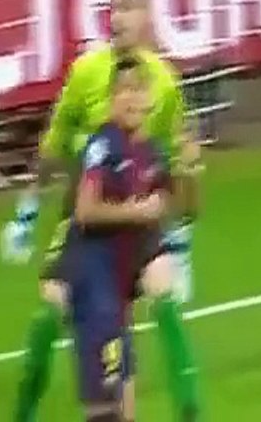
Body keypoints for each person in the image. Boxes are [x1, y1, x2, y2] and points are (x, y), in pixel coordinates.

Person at [7, 0, 202, 422]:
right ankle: (29, 407)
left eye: (128, 8)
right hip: (88, 223)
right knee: (62, 316)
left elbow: (172, 164)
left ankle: (186, 405)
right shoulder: (86, 74)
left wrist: (180, 239)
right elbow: (54, 146)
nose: (117, 18)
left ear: (147, 16)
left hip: (137, 227)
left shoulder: (165, 84)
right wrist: (27, 210)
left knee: (156, 301)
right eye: (113, 9)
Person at [65, 55, 203, 421]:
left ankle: (189, 402)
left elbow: (185, 210)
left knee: (124, 400)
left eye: (137, 90)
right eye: (123, 91)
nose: (130, 98)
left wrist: (189, 170)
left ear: (148, 98)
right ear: (112, 100)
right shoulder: (102, 145)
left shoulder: (152, 151)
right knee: (107, 405)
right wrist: (136, 211)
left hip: (124, 275)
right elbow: (85, 211)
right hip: (95, 281)